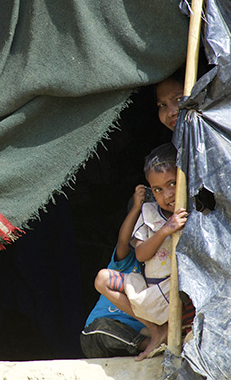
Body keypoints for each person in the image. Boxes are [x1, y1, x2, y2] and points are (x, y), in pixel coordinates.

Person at [95, 143, 189, 361]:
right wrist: (165, 230)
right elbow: (140, 254)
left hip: (180, 294)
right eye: (157, 190)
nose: (167, 194)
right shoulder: (149, 212)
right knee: (102, 279)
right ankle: (157, 331)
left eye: (173, 184)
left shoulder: (194, 209)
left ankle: (173, 332)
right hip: (153, 293)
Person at [80, 185, 150, 358]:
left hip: (142, 331)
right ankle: (149, 343)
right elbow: (123, 240)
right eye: (139, 228)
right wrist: (136, 208)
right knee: (98, 330)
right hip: (101, 337)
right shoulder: (126, 259)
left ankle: (150, 340)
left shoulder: (164, 265)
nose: (143, 235)